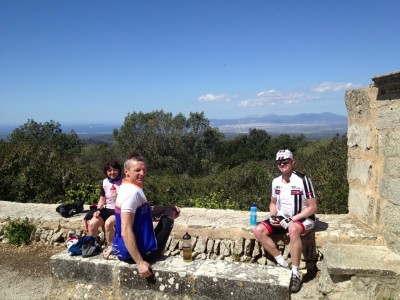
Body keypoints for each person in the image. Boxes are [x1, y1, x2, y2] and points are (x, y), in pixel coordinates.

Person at [253, 149, 318, 293]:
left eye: (285, 161)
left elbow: (313, 207)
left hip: (303, 218)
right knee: (258, 230)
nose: (282, 164)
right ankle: (282, 263)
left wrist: (292, 219)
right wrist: (272, 216)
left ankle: (295, 272)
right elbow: (273, 203)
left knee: (293, 229)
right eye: (279, 162)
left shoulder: (303, 180)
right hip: (283, 218)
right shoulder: (276, 181)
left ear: (292, 162)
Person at [112, 153, 180, 279]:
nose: (142, 174)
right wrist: (140, 262)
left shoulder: (127, 186)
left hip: (122, 250)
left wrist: (164, 209)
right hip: (140, 254)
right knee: (171, 210)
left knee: (169, 209)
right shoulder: (131, 194)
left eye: (144, 170)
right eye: (137, 170)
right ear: (127, 172)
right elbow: (125, 231)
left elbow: (145, 210)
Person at [88, 161, 122, 257]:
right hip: (107, 209)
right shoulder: (104, 182)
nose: (112, 172)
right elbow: (102, 199)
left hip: (119, 209)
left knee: (108, 223)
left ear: (119, 170)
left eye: (115, 170)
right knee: (92, 224)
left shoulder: (124, 182)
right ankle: (94, 247)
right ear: (106, 172)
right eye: (109, 170)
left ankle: (111, 248)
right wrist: (98, 210)